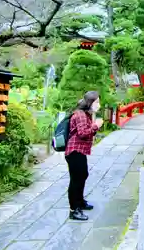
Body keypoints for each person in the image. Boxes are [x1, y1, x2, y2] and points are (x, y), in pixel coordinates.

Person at [65, 91, 103, 221]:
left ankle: (80, 202)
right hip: (74, 151)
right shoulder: (80, 115)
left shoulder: (85, 114)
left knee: (83, 175)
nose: (99, 104)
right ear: (90, 102)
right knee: (76, 180)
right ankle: (74, 210)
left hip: (79, 151)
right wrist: (96, 126)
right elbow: (82, 133)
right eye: (97, 102)